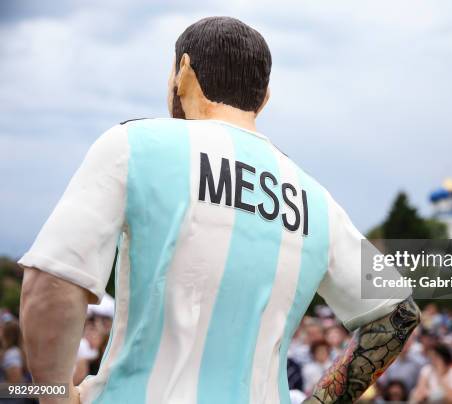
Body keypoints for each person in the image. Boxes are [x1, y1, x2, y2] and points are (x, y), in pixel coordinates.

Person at [18, 16, 420, 404]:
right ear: (263, 98)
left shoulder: (134, 145)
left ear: (183, 71)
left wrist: (55, 395)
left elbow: (52, 284)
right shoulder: (315, 198)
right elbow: (397, 313)